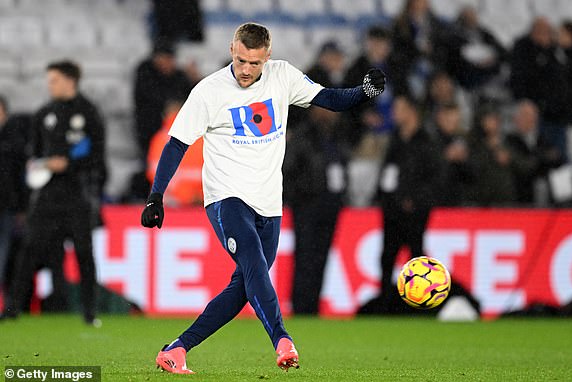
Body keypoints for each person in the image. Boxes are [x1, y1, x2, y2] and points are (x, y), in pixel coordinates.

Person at [140, 22, 386, 374]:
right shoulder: (209, 91)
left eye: (254, 64)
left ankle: (177, 349)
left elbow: (328, 99)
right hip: (226, 198)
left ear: (267, 57)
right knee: (255, 267)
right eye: (240, 61)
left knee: (244, 287)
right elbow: (177, 143)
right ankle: (282, 341)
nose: (245, 70)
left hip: (269, 203)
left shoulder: (282, 76)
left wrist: (364, 91)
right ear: (232, 50)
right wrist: (156, 195)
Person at [1, 61, 106, 325]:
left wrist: (69, 164)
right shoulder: (43, 114)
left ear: (71, 81)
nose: (51, 85)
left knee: (84, 252)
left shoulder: (89, 114)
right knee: (30, 250)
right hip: (47, 195)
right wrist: (37, 164)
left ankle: (90, 312)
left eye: (55, 80)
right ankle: (12, 308)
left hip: (78, 194)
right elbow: (33, 153)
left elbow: (97, 157)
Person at [359, 95, 440, 314]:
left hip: (415, 212)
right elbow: (388, 172)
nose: (394, 112)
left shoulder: (426, 142)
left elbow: (435, 178)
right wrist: (381, 196)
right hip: (392, 209)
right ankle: (385, 305)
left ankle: (420, 306)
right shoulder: (395, 139)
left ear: (412, 112)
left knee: (416, 258)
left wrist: (415, 200)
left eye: (400, 108)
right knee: (387, 257)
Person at [283, 106, 350, 315]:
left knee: (321, 258)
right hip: (307, 207)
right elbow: (288, 169)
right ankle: (301, 307)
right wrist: (301, 196)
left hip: (330, 206)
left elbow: (342, 166)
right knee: (305, 258)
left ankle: (312, 307)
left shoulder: (336, 136)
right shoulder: (303, 135)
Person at [131, 40, 192, 200]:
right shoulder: (145, 74)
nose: (167, 64)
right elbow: (153, 99)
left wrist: (195, 79)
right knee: (153, 170)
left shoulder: (179, 77)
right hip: (150, 133)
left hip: (175, 134)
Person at [510, 17, 571, 163]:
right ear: (533, 32)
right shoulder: (523, 48)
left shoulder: (555, 50)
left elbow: (562, 76)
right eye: (541, 31)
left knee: (560, 157)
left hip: (559, 113)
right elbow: (520, 78)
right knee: (541, 156)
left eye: (548, 32)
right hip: (537, 113)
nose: (546, 35)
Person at [0, 96, 29, 309]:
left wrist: (22, 206)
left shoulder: (14, 140)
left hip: (6, 207)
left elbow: (21, 177)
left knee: (5, 255)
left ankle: (10, 304)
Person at [505, 100, 563, 205]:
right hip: (520, 193)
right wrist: (542, 158)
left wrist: (538, 159)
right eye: (523, 115)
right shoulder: (510, 140)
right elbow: (522, 166)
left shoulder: (543, 139)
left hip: (545, 190)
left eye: (531, 115)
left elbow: (557, 160)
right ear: (516, 119)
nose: (528, 119)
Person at [466, 105, 516, 206]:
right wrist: (489, 149)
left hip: (506, 201)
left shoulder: (509, 141)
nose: (493, 123)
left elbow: (524, 166)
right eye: (489, 119)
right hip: (481, 201)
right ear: (481, 122)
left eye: (495, 119)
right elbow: (472, 169)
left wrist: (510, 158)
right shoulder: (473, 143)